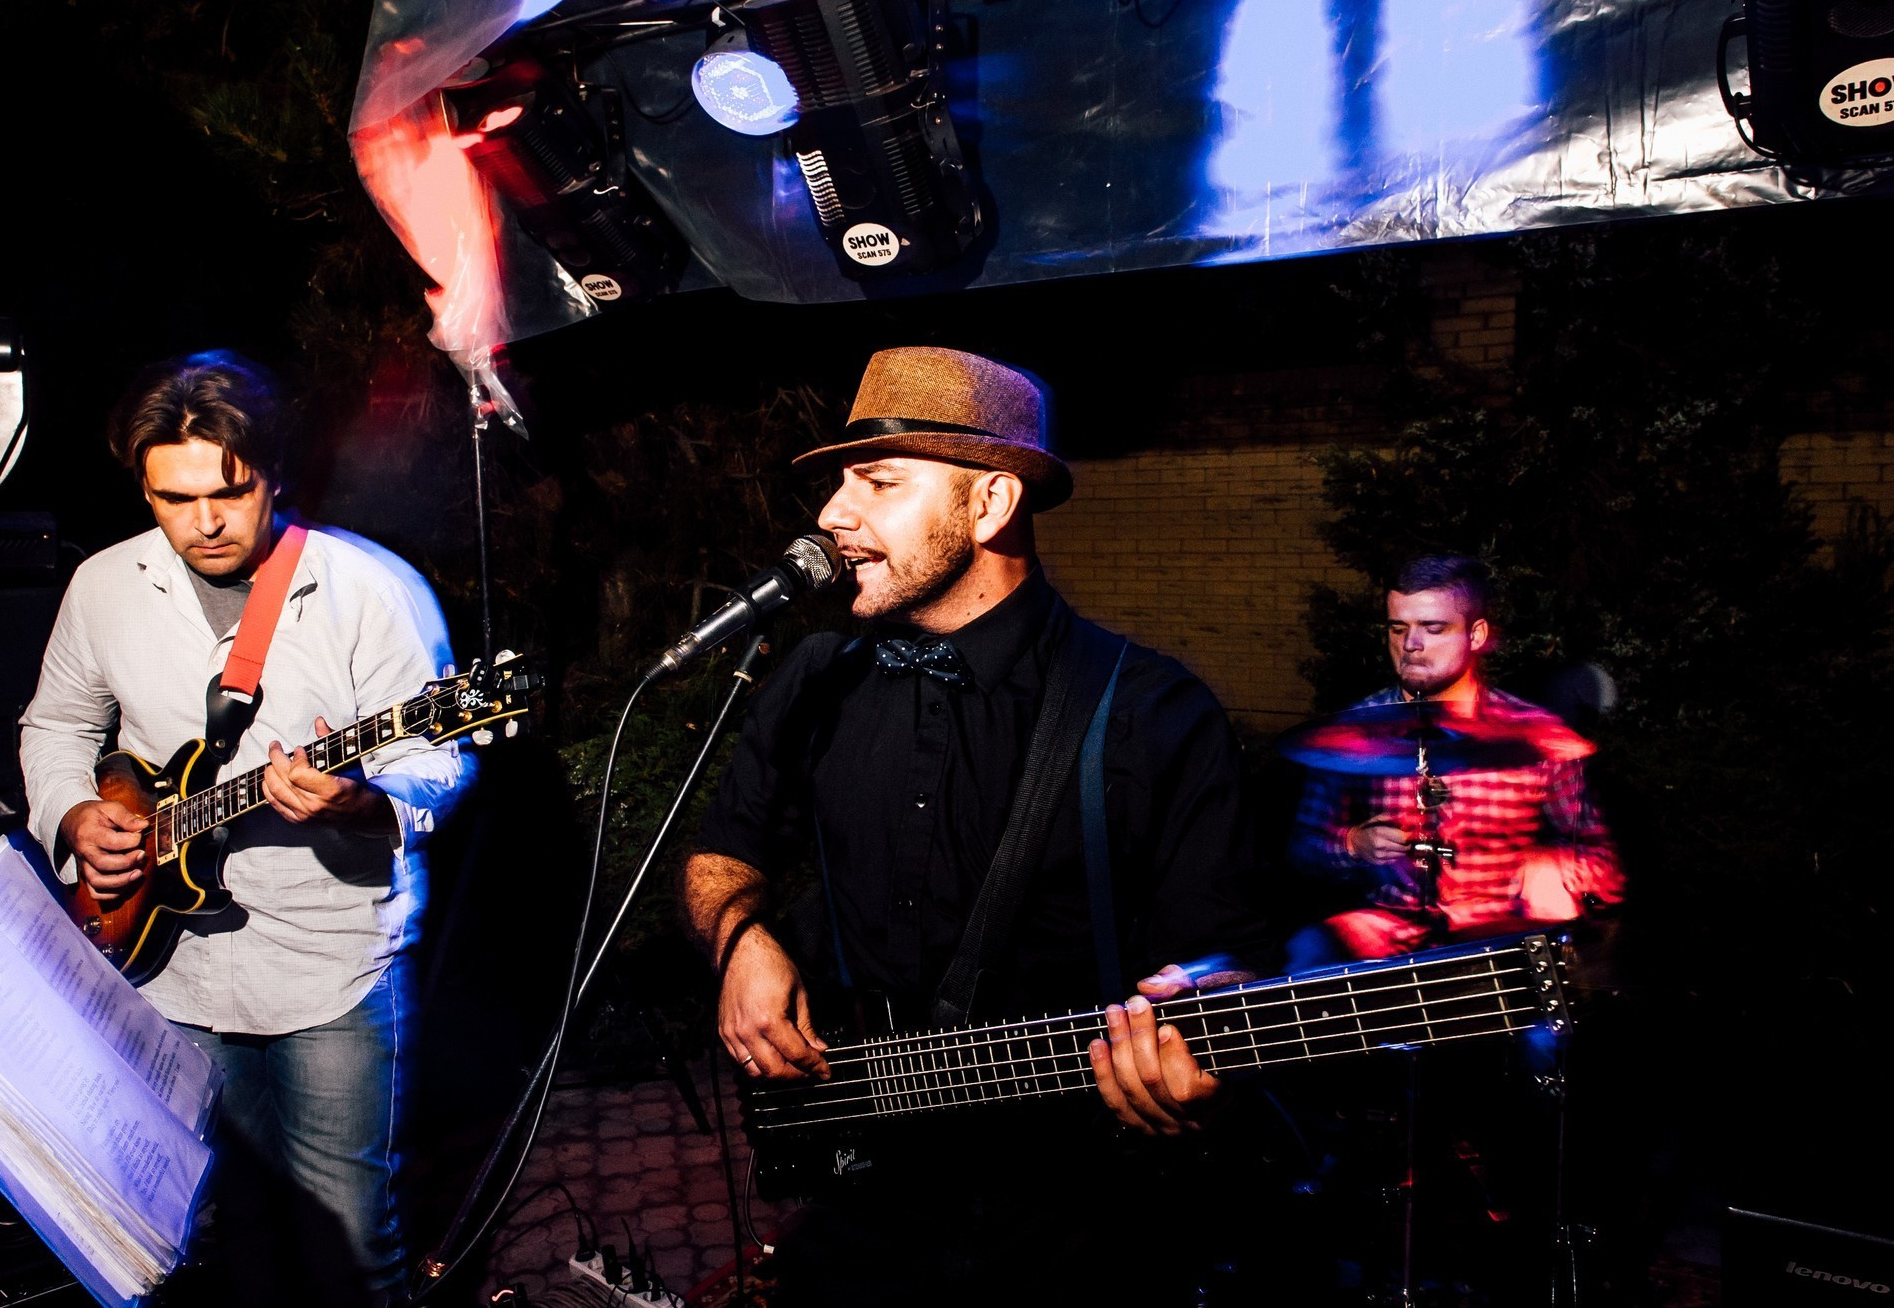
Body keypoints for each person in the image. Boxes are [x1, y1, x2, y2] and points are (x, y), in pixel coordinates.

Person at [681, 347, 1273, 1305]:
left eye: (876, 482)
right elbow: (724, 851)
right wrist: (740, 942)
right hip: (855, 1191)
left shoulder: (1154, 712)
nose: (833, 516)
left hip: (1069, 1212)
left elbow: (1227, 955)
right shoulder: (817, 675)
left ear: (991, 504)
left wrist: (1194, 1027)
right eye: (839, 484)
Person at [19, 352, 473, 1307]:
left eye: (230, 492)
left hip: (330, 966)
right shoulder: (103, 587)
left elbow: (438, 758)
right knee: (236, 1234)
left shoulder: (370, 590)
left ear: (274, 476)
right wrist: (74, 813)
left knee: (355, 1245)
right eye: (173, 498)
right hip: (170, 967)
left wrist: (363, 801)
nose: (205, 522)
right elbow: (56, 726)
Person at [1288, 553, 1622, 962]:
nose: (1410, 645)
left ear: (1476, 634)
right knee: (1309, 950)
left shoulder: (1535, 737)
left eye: (1433, 628)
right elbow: (1304, 849)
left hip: (1502, 934)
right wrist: (1353, 844)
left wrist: (1557, 867)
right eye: (1398, 628)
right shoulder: (1351, 733)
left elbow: (1602, 861)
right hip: (1392, 928)